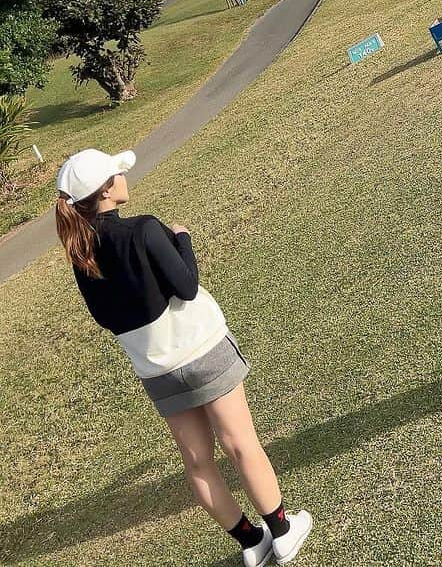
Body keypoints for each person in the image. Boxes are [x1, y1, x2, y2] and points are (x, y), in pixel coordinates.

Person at [54, 148, 312, 565]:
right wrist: (183, 238)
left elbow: (105, 317)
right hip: (202, 349)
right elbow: (187, 286)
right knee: (241, 443)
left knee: (197, 462)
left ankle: (251, 543)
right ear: (105, 190)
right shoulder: (144, 229)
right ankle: (282, 531)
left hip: (157, 370)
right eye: (117, 172)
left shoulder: (81, 254)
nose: (123, 176)